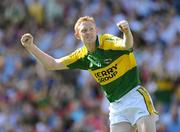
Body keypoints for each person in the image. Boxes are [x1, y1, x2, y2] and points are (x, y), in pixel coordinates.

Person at [21, 16, 158, 132]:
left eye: (91, 29)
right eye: (84, 30)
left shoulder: (107, 42)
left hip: (135, 97)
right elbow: (52, 64)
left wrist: (127, 32)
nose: (88, 32)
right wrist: (30, 47)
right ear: (77, 35)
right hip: (117, 107)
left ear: (96, 30)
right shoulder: (82, 56)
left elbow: (127, 46)